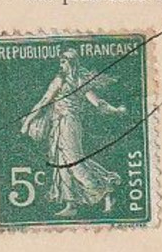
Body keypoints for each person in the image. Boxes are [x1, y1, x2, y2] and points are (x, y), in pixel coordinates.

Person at [20, 48, 126, 218]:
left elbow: (97, 103)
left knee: (73, 162)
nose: (61, 65)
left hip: (68, 124)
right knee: (61, 162)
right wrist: (28, 121)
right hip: (59, 123)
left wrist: (116, 110)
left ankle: (104, 190)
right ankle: (71, 204)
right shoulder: (65, 80)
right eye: (60, 62)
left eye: (64, 62)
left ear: (71, 63)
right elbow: (45, 101)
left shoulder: (73, 81)